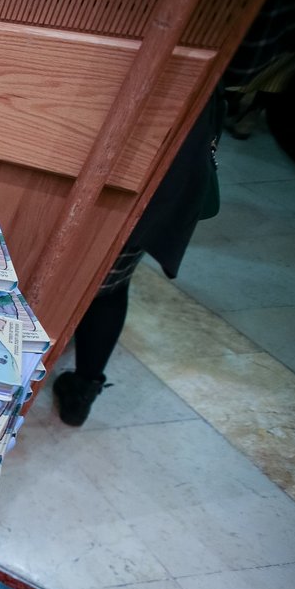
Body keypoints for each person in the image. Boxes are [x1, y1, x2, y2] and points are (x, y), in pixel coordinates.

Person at [52, 94, 221, 426]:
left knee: (31, 267)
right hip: (164, 159)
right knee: (110, 285)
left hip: (80, 136)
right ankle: (82, 391)